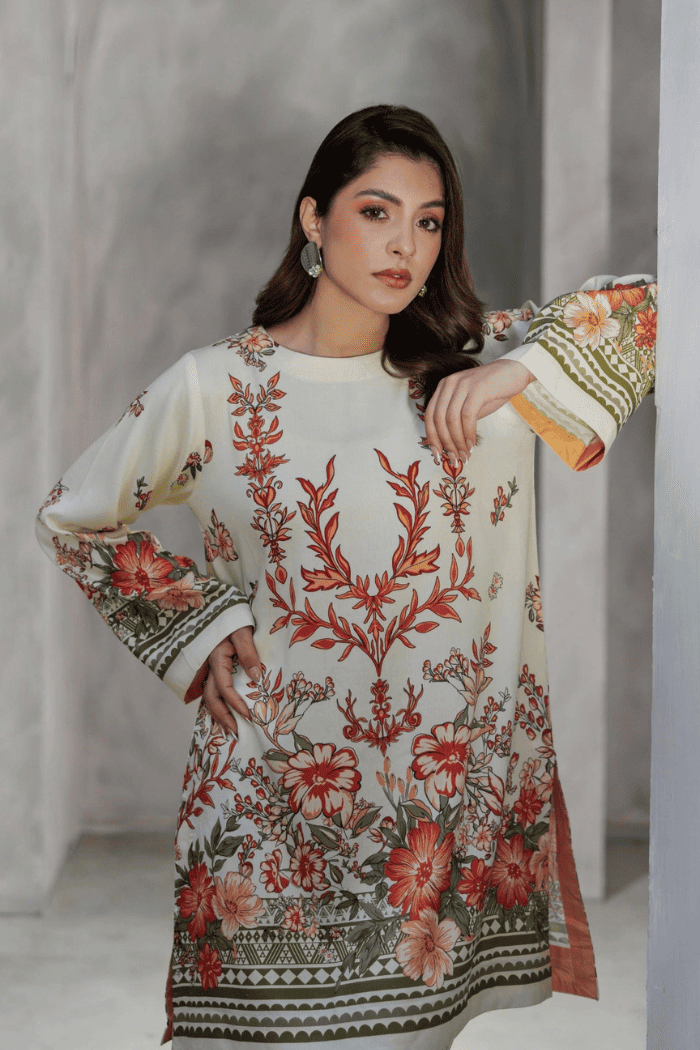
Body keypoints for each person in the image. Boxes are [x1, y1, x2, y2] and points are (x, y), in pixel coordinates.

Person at [36, 104, 656, 1049]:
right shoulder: (214, 386)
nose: (406, 243)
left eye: (429, 219)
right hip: (266, 823)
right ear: (313, 219)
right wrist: (197, 624)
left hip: (430, 849)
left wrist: (518, 371)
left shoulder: (470, 361)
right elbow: (73, 513)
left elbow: (663, 306)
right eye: (377, 211)